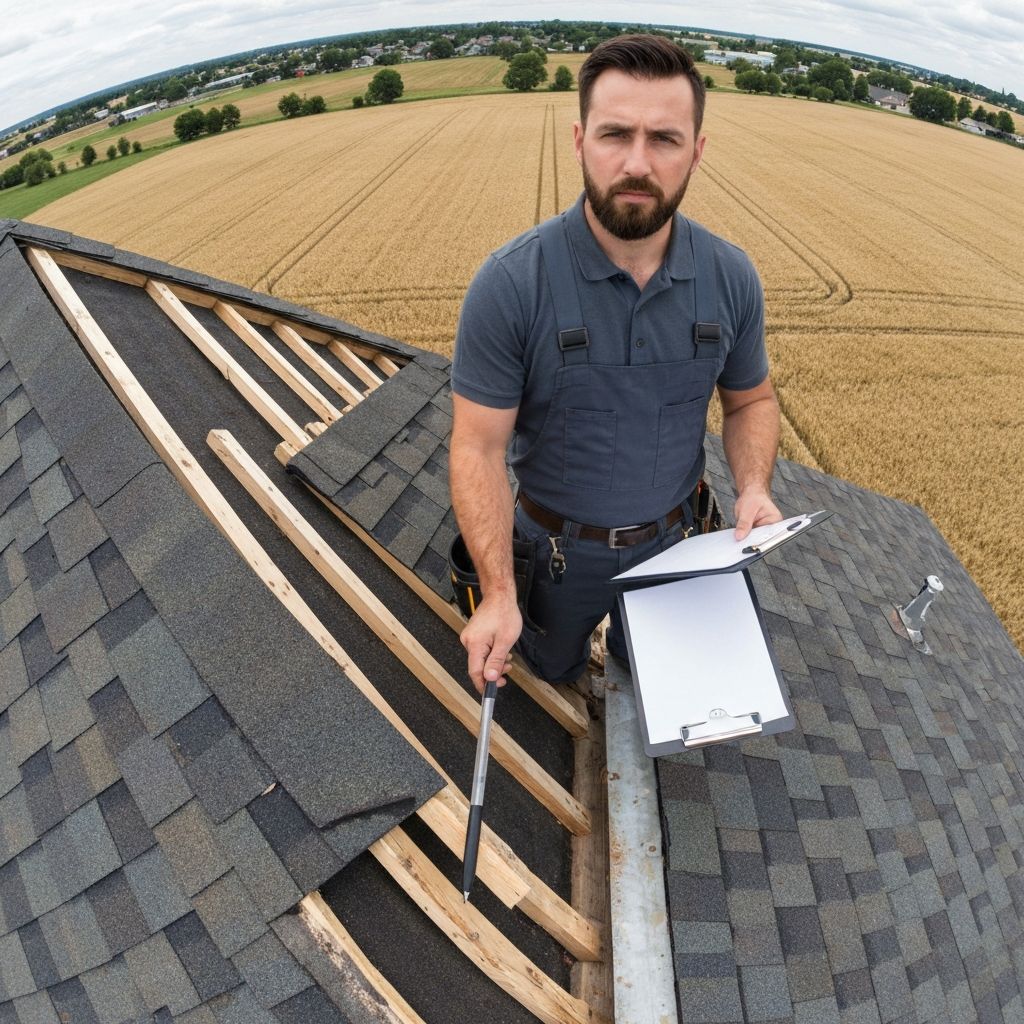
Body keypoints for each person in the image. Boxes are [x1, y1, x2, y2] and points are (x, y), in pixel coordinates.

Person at [450, 34, 782, 694]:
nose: (637, 162)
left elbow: (752, 402)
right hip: (552, 557)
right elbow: (477, 448)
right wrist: (496, 593)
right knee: (549, 679)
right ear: (579, 141)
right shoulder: (512, 284)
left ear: (698, 151)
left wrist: (752, 487)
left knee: (653, 681)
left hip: (679, 542)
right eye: (614, 135)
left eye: (664, 138)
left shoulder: (731, 276)